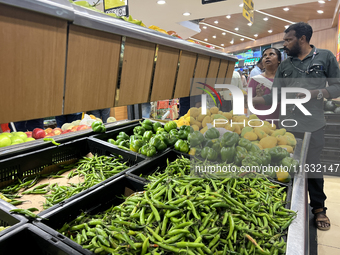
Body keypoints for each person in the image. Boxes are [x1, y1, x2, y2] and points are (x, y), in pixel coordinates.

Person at [251, 22, 340, 231]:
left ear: (302, 39)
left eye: (288, 39)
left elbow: (337, 87)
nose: (285, 44)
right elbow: (276, 95)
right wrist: (254, 101)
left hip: (313, 124)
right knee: (285, 166)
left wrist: (316, 93)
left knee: (312, 167)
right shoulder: (285, 66)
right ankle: (285, 206)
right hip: (287, 127)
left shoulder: (325, 57)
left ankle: (318, 209)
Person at [248, 48, 281, 126]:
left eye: (271, 54)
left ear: (279, 60)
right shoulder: (255, 80)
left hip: (281, 122)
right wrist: (257, 97)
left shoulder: (285, 80)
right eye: (264, 55)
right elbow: (247, 103)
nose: (267, 57)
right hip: (261, 123)